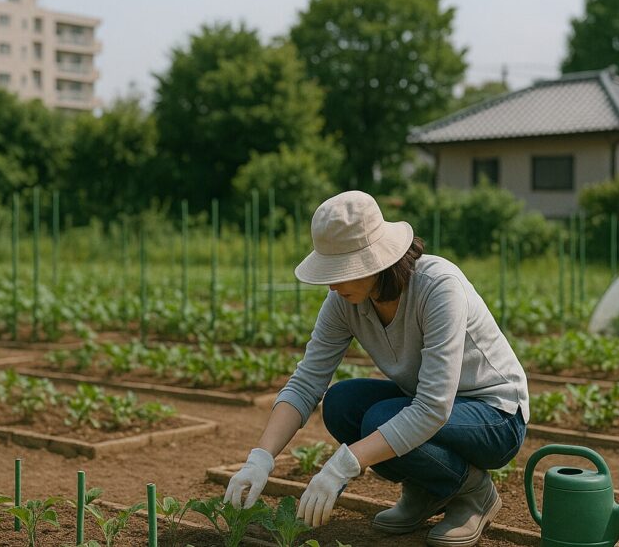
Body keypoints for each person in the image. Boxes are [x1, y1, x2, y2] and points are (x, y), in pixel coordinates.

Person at [223, 190, 529, 547]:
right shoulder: (343, 301)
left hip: (496, 416)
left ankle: (474, 494)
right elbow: (307, 382)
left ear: (374, 261)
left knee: (379, 420)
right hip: (430, 405)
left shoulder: (438, 287)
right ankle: (427, 491)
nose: (331, 282)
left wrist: (344, 465)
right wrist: (260, 459)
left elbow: (432, 408)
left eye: (341, 270)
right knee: (341, 404)